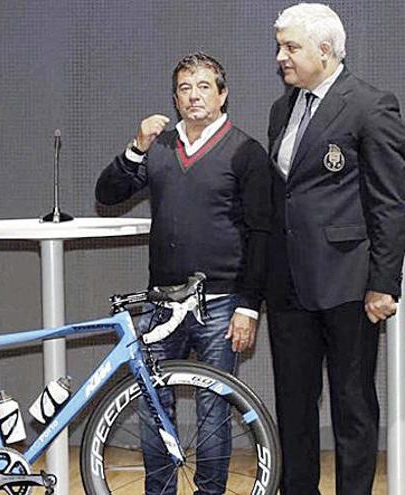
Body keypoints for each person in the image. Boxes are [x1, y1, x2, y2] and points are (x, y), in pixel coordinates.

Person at [95, 52, 271, 494]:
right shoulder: (161, 146)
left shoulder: (246, 151)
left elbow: (262, 235)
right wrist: (136, 147)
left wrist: (248, 307)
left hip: (220, 303)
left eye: (204, 86)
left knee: (214, 411)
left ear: (223, 94)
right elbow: (108, 192)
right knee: (154, 407)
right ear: (174, 98)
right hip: (162, 302)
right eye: (185, 88)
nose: (194, 96)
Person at [267, 4, 405, 494]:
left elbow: (390, 202)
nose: (280, 56)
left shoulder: (371, 105)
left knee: (352, 407)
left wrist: (384, 283)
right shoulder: (282, 108)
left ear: (324, 50)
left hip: (348, 284)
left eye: (290, 47)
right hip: (289, 288)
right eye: (279, 46)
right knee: (294, 407)